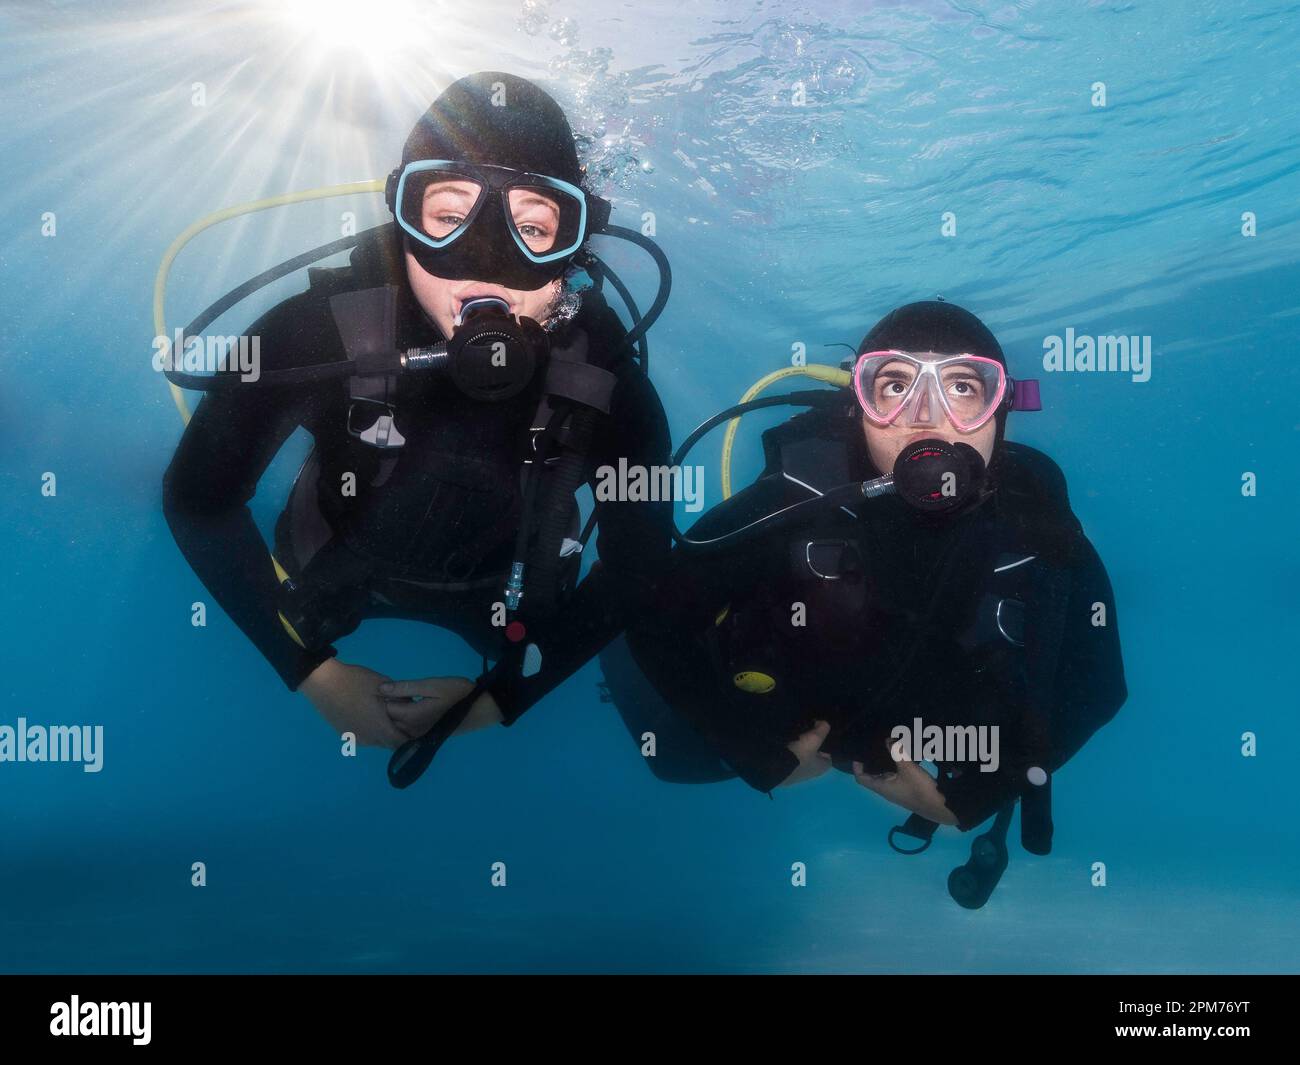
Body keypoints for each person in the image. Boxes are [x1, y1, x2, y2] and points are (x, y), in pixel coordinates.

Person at [163, 72, 672, 770]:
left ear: (572, 250)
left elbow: (639, 564)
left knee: (631, 638)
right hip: (330, 570)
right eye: (449, 214)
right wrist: (309, 670)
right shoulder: (317, 332)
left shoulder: (608, 381)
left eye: (531, 227)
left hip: (510, 598)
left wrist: (499, 701)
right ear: (401, 212)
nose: (487, 259)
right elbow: (198, 499)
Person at [601, 300, 1126, 904]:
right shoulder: (791, 503)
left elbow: (1099, 685)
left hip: (928, 736)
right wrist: (753, 753)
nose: (927, 416)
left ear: (1002, 409)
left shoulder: (1042, 530)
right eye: (895, 384)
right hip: (783, 713)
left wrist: (985, 794)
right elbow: (652, 611)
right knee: (669, 759)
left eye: (962, 386)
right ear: (858, 406)